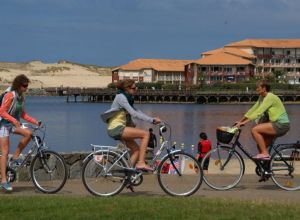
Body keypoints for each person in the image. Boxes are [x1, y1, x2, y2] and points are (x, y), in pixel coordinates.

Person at [101, 79, 161, 171]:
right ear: (126, 89)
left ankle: (127, 175)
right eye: (133, 88)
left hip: (120, 128)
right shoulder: (121, 97)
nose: (135, 89)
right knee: (146, 134)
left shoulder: (127, 98)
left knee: (136, 150)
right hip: (116, 128)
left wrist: (152, 119)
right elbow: (133, 113)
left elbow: (137, 111)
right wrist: (152, 120)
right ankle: (141, 163)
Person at [0, 74, 40, 192]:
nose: (26, 88)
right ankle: (3, 181)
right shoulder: (9, 95)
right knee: (5, 151)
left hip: (11, 124)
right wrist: (14, 121)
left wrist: (36, 121)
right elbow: (1, 111)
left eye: (27, 86)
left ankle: (16, 156)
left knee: (28, 133)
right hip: (2, 124)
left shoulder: (21, 97)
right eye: (24, 86)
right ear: (18, 85)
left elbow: (23, 114)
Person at [235, 80, 290, 160]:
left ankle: (265, 154)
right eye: (256, 88)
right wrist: (241, 121)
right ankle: (265, 168)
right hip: (276, 124)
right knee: (260, 145)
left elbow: (258, 112)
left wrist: (244, 123)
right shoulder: (262, 97)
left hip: (281, 124)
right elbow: (253, 109)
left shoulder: (269, 97)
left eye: (258, 88)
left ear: (264, 88)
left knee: (254, 130)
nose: (256, 89)